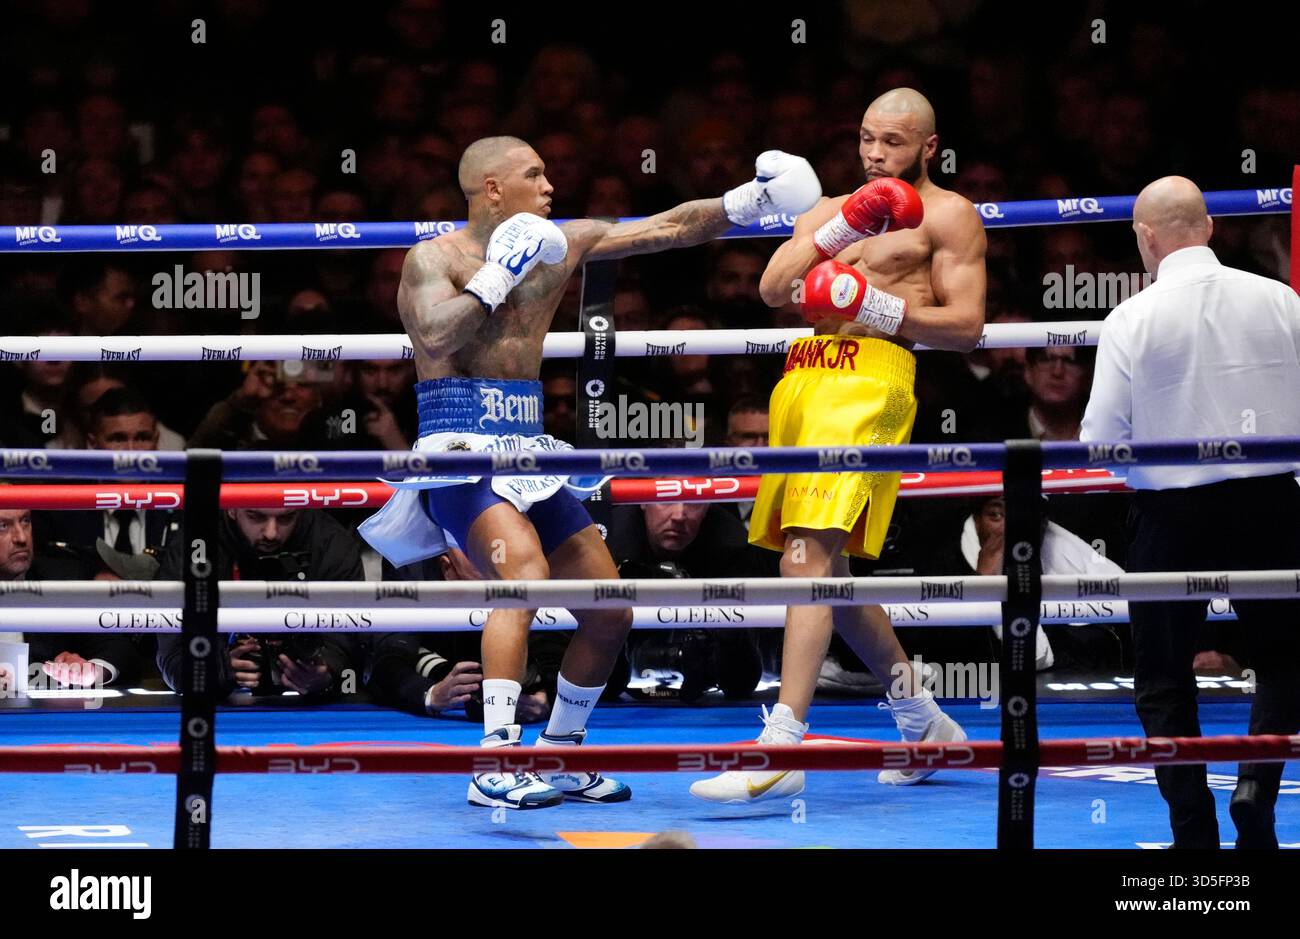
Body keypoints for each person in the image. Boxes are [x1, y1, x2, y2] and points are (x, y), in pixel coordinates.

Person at [359, 134, 821, 810]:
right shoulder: (433, 258)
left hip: (528, 445)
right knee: (522, 578)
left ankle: (561, 752)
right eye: (534, 175)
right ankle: (496, 757)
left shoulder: (561, 242)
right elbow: (434, 336)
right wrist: (497, 277)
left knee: (610, 609)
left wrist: (749, 203)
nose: (550, 186)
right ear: (492, 189)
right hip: (459, 448)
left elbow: (666, 228)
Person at [692, 87, 986, 804]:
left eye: (891, 141)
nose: (874, 153)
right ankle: (925, 724)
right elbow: (770, 288)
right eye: (865, 138)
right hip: (803, 378)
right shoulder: (834, 209)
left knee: (809, 550)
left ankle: (785, 741)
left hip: (872, 381)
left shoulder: (950, 215)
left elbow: (968, 324)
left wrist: (877, 306)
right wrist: (833, 233)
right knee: (834, 574)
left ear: (928, 147)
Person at [1081, 175, 1300, 850]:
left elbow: (1096, 439)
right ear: (1209, 227)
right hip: (1271, 503)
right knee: (1288, 657)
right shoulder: (1283, 301)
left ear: (1146, 238)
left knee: (1163, 674)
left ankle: (1192, 830)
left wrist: (1154, 471)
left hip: (1171, 513)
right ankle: (1256, 794)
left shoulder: (1132, 317)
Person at [156, 507, 364, 699]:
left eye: (286, 518)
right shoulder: (197, 544)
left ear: (300, 509)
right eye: (256, 516)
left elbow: (350, 647)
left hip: (311, 713)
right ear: (232, 509)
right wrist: (215, 669)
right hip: (220, 711)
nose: (271, 533)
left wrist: (326, 672)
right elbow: (173, 654)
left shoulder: (330, 542)